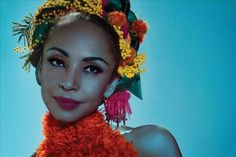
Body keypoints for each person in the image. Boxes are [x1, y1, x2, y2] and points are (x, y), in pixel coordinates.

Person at [13, 0, 182, 156]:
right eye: (57, 62)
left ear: (111, 83)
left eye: (92, 69)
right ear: (40, 67)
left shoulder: (151, 146)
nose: (69, 83)